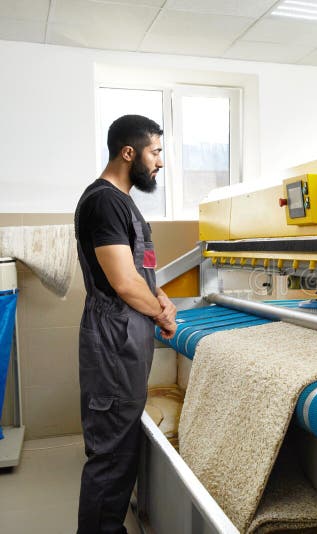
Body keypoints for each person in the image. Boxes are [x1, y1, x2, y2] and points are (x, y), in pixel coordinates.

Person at [74, 114, 178, 533]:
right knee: (112, 452)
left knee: (121, 444)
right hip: (114, 336)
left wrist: (162, 299)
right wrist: (159, 311)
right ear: (128, 152)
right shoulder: (104, 201)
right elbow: (122, 280)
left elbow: (143, 271)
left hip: (128, 333)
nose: (161, 163)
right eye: (155, 152)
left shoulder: (126, 204)